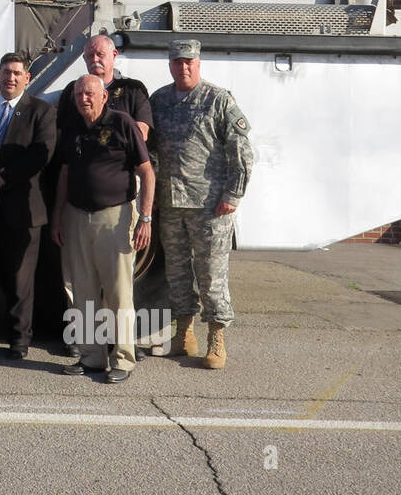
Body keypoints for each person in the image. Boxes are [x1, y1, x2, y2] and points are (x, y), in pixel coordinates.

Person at [151, 39, 253, 370]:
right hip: (170, 204)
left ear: (199, 63)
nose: (184, 67)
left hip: (210, 207)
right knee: (177, 273)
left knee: (211, 276)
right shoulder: (160, 100)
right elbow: (149, 151)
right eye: (178, 62)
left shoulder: (217, 99)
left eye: (190, 62)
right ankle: (184, 335)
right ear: (170, 65)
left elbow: (242, 151)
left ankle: (217, 339)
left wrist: (232, 195)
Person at [50, 75, 155, 383]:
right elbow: (64, 175)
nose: (84, 98)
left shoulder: (123, 124)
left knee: (119, 291)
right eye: (80, 93)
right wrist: (58, 216)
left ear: (104, 96)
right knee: (81, 291)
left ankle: (123, 358)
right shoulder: (71, 127)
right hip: (76, 216)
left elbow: (147, 174)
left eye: (90, 93)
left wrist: (145, 218)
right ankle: (92, 357)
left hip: (115, 217)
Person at [0, 52, 56, 360]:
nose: (11, 77)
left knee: (20, 279)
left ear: (27, 78)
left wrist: (1, 179)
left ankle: (19, 340)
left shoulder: (41, 111)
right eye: (6, 71)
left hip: (23, 207)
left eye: (17, 73)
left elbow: (40, 155)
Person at [56, 35, 153, 143]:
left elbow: (142, 132)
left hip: (119, 156)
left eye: (100, 54)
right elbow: (59, 130)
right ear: (84, 58)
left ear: (114, 54)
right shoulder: (73, 90)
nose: (94, 60)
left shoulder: (133, 89)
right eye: (90, 56)